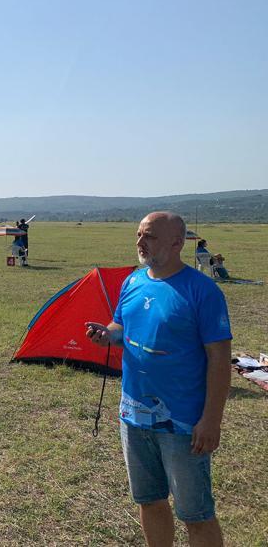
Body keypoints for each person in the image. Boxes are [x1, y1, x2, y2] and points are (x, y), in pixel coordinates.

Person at [85, 211, 231, 547]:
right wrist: (106, 335)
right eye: (138, 234)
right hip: (133, 416)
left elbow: (219, 358)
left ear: (177, 242)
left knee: (196, 514)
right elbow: (121, 326)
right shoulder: (133, 281)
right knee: (149, 500)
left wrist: (211, 420)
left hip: (182, 425)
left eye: (149, 235)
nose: (140, 241)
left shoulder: (202, 291)